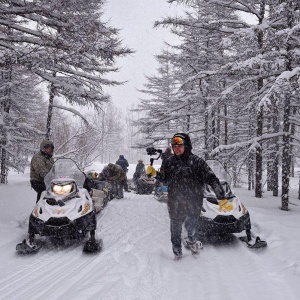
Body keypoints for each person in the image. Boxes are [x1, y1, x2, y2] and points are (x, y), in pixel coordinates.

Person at [146, 133, 228, 260]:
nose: (176, 149)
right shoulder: (169, 162)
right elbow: (165, 179)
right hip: (175, 204)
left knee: (192, 229)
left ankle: (193, 244)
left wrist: (221, 197)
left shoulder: (197, 162)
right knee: (175, 233)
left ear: (187, 146)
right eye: (174, 146)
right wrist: (155, 174)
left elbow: (212, 179)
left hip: (193, 204)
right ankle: (177, 253)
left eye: (180, 146)